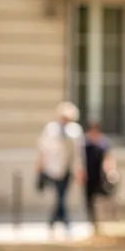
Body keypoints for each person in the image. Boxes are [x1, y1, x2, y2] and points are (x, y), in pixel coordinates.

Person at [37, 102, 85, 238]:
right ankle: (66, 223)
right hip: (53, 168)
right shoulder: (50, 129)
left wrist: (80, 170)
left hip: (68, 169)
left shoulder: (75, 131)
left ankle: (54, 222)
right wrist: (40, 167)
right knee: (60, 196)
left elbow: (78, 154)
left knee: (61, 196)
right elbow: (42, 150)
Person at [83, 121, 115, 235]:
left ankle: (101, 222)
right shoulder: (84, 143)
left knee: (101, 199)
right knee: (89, 200)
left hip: (100, 176)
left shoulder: (103, 143)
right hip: (88, 176)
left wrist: (110, 172)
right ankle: (93, 222)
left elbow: (108, 158)